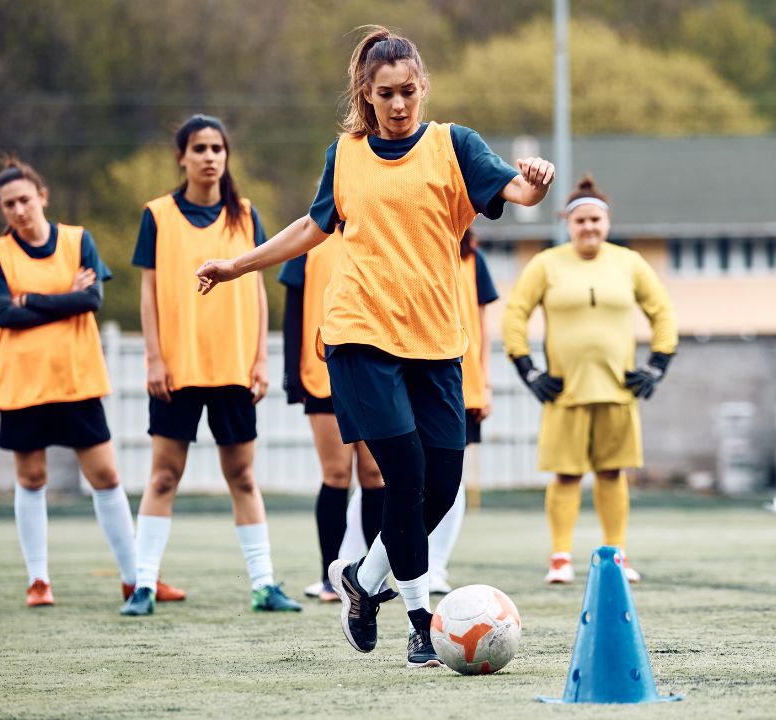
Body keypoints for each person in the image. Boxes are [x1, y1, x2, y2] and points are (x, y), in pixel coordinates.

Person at [194, 26, 554, 667]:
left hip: (436, 340)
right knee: (406, 475)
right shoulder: (347, 154)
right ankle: (421, 621)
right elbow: (312, 225)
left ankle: (361, 580)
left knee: (441, 488)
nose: (398, 104)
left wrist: (537, 181)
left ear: (423, 88)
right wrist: (237, 265)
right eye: (385, 94)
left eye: (408, 92)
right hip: (359, 334)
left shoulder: (454, 146)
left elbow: (519, 194)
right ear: (366, 93)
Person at [120, 114, 301, 616]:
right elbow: (150, 292)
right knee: (162, 477)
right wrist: (155, 358)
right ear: (182, 156)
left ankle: (264, 584)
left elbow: (260, 291)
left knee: (243, 477)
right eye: (198, 148)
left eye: (217, 148)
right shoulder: (157, 214)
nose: (209, 156)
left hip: (234, 368)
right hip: (178, 369)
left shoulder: (246, 215)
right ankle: (144, 585)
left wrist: (261, 356)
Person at [0, 156, 151, 608]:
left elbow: (91, 299)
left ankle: (136, 580)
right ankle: (39, 581)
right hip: (22, 382)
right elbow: (3, 314)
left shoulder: (78, 241)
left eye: (24, 199)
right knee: (31, 478)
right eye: (8, 204)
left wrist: (33, 298)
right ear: (2, 210)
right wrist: (64, 298)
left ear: (42, 196)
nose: (18, 209)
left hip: (76, 379)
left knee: (106, 475)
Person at [501, 175, 677, 585]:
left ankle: (615, 554)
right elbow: (515, 315)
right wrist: (528, 369)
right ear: (568, 224)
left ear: (607, 223)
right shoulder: (546, 264)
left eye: (596, 220)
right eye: (581, 221)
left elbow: (662, 313)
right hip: (566, 392)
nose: (589, 228)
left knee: (613, 472)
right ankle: (560, 558)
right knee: (565, 475)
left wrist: (658, 365)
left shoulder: (629, 263)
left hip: (617, 391)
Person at [338, 228, 501, 595]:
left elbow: (482, 324)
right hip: (396, 364)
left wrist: (484, 382)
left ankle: (414, 567)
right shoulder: (392, 243)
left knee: (444, 484)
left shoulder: (472, 258)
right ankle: (363, 564)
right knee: (401, 476)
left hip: (454, 372)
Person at [279, 233, 386, 603]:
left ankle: (372, 577)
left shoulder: (379, 230)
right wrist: (293, 377)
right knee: (336, 474)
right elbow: (293, 312)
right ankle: (329, 575)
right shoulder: (310, 239)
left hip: (375, 373)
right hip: (322, 374)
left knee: (374, 474)